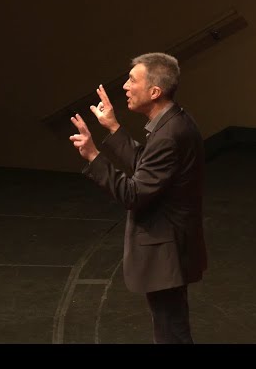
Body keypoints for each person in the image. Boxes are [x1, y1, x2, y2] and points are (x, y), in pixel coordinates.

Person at [69, 52, 207, 344]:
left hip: (166, 248)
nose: (125, 86)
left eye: (133, 80)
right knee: (170, 327)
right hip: (172, 244)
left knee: (172, 332)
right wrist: (113, 128)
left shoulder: (169, 134)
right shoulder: (172, 122)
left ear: (154, 92)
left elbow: (133, 194)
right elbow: (149, 164)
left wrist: (94, 156)